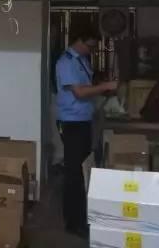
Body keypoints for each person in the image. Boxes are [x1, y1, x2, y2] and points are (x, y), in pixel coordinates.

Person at [55, 27, 118, 236]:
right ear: (79, 41)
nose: (91, 50)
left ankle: (81, 216)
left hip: (83, 120)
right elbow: (80, 92)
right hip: (71, 122)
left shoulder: (81, 60)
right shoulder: (66, 62)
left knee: (82, 170)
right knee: (73, 173)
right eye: (89, 46)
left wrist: (102, 87)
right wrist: (106, 86)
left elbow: (87, 86)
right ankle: (73, 223)